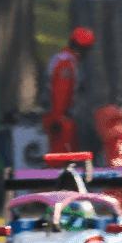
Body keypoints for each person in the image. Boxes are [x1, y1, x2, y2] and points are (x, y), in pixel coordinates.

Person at [42, 26, 95, 154]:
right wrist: (58, 118)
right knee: (61, 157)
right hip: (60, 121)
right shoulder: (66, 64)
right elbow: (60, 92)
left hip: (60, 118)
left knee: (67, 156)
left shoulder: (64, 59)